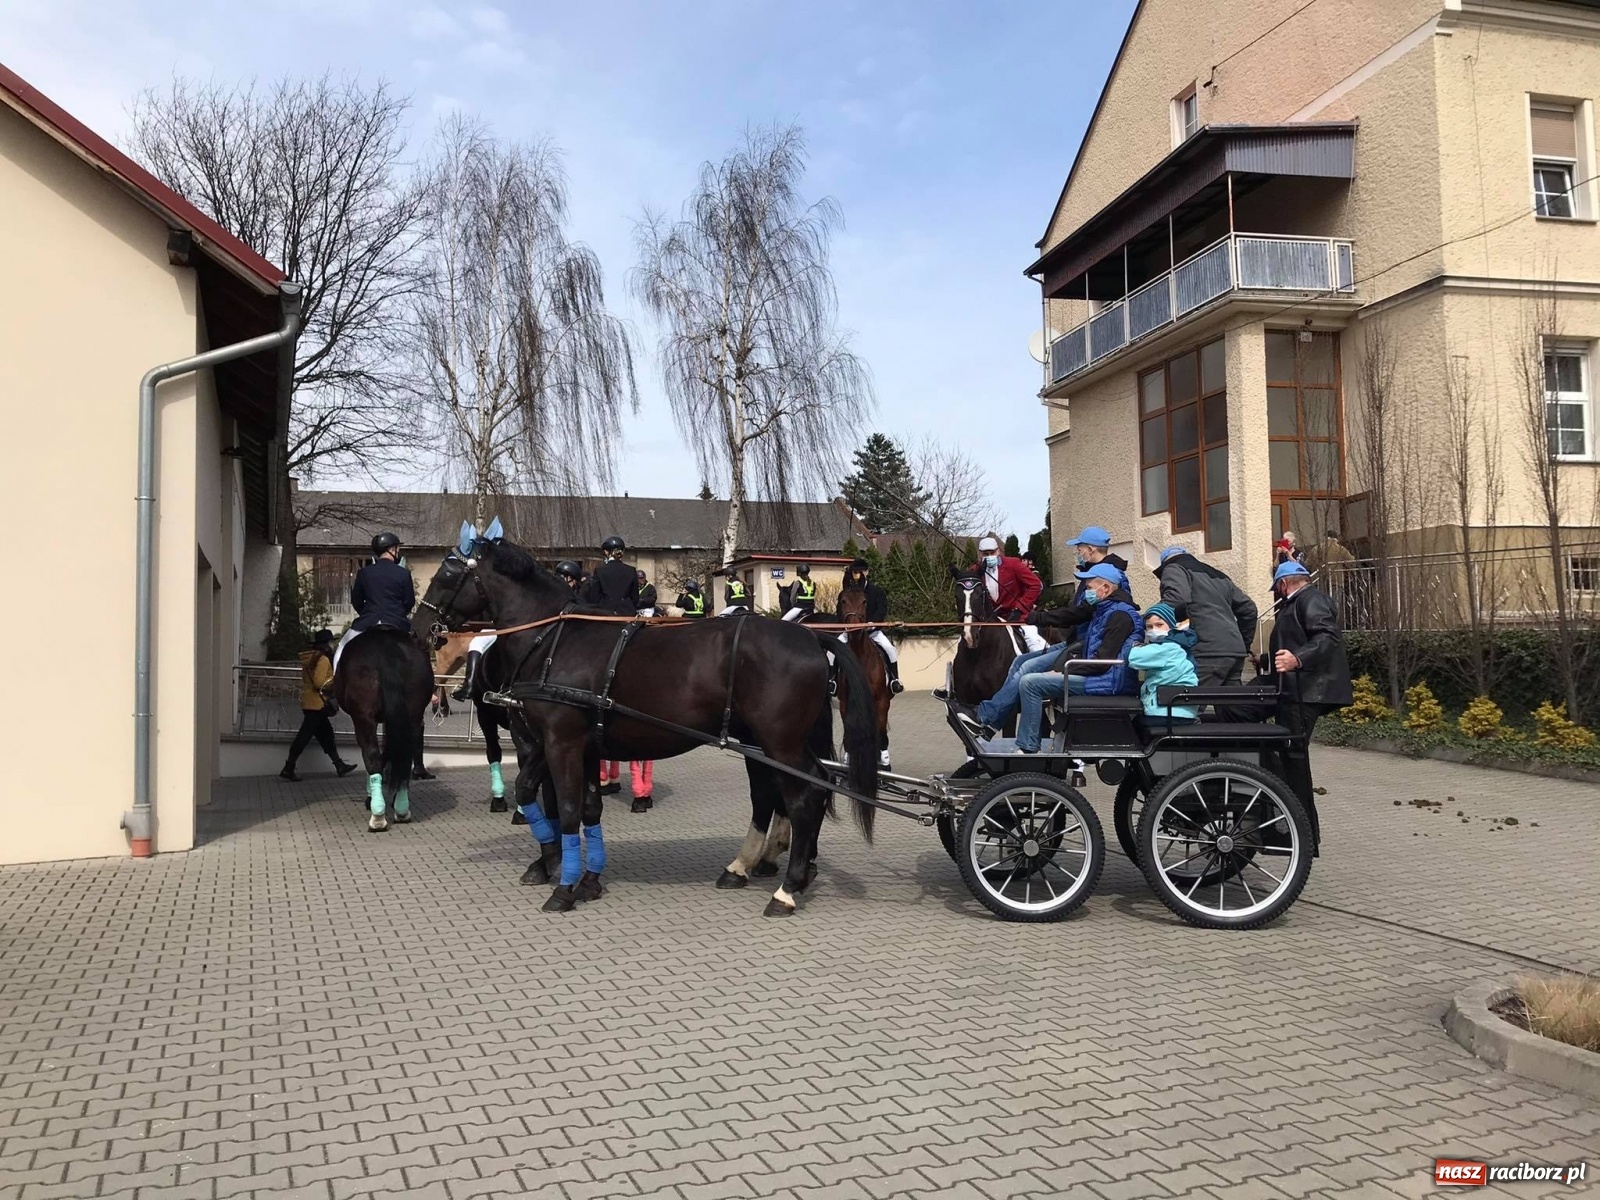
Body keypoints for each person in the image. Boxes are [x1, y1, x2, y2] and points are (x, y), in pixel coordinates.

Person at [939, 526, 1128, 735]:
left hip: (1025, 619)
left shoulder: (1106, 577)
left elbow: (1041, 589)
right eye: (984, 553)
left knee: (1034, 643)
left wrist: (1023, 611)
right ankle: (976, 706)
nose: (1078, 552)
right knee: (1001, 654)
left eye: (1080, 548)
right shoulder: (977, 568)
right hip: (993, 619)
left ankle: (1027, 699)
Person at [1264, 560, 1352, 853]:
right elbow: (1292, 642)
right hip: (1297, 689)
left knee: (1293, 758)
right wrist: (1266, 661)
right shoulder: (1299, 602)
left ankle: (1302, 834)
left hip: (1306, 691)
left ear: (1283, 584)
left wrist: (1298, 659)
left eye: (1277, 588)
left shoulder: (1310, 599)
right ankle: (1296, 829)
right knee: (1289, 755)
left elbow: (1327, 636)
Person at [1012, 563, 1141, 753]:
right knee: (1033, 679)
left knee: (1030, 683)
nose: (1086, 593)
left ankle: (1028, 747)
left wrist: (1063, 671)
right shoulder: (1105, 610)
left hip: (1109, 682)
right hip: (1101, 677)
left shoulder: (1119, 615)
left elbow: (1102, 663)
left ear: (1105, 588)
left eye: (1089, 587)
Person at [1152, 545, 1258, 687]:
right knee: (1231, 700)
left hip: (1206, 650)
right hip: (1234, 651)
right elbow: (1249, 609)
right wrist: (1243, 644)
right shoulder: (1218, 575)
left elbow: (1175, 599)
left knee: (1189, 699)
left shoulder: (1173, 568)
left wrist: (1150, 620)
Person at [281, 630, 358, 781]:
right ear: (325, 645)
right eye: (331, 642)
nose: (333, 645)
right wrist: (335, 680)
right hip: (317, 704)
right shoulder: (322, 660)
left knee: (326, 735)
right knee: (304, 737)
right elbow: (319, 682)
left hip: (311, 703)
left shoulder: (311, 659)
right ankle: (288, 768)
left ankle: (339, 765)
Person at [333, 532, 415, 672]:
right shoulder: (403, 573)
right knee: (419, 652)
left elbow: (356, 600)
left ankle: (335, 680)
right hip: (397, 622)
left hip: (368, 621)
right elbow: (409, 602)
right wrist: (398, 613)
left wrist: (367, 613)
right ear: (391, 549)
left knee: (341, 648)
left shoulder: (364, 573)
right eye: (397, 548)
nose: (398, 551)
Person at [969, 534, 1046, 652]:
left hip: (1017, 617)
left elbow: (1036, 585)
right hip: (990, 620)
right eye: (985, 554)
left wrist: (1019, 608)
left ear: (998, 551)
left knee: (1035, 644)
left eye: (992, 553)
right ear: (980, 554)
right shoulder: (974, 570)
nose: (989, 556)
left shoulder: (1013, 564)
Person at [1126, 603, 1199, 724]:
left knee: (1132, 726)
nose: (1154, 630)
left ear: (1172, 625)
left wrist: (1132, 644)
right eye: (1149, 627)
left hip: (1167, 712)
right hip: (1180, 711)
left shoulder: (1168, 647)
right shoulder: (1180, 645)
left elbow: (1132, 657)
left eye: (1159, 625)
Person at [839, 558, 903, 694]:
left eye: (860, 571)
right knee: (831, 652)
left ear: (867, 572)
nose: (858, 574)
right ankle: (832, 681)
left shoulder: (876, 591)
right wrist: (844, 625)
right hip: (850, 632)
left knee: (890, 649)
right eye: (855, 572)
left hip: (872, 632)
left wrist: (873, 623)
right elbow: (839, 610)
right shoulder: (846, 592)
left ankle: (894, 680)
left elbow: (882, 609)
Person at [584, 535, 640, 615]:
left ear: (606, 552)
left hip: (605, 612)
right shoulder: (631, 570)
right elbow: (635, 598)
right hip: (626, 612)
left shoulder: (600, 571)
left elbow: (594, 596)